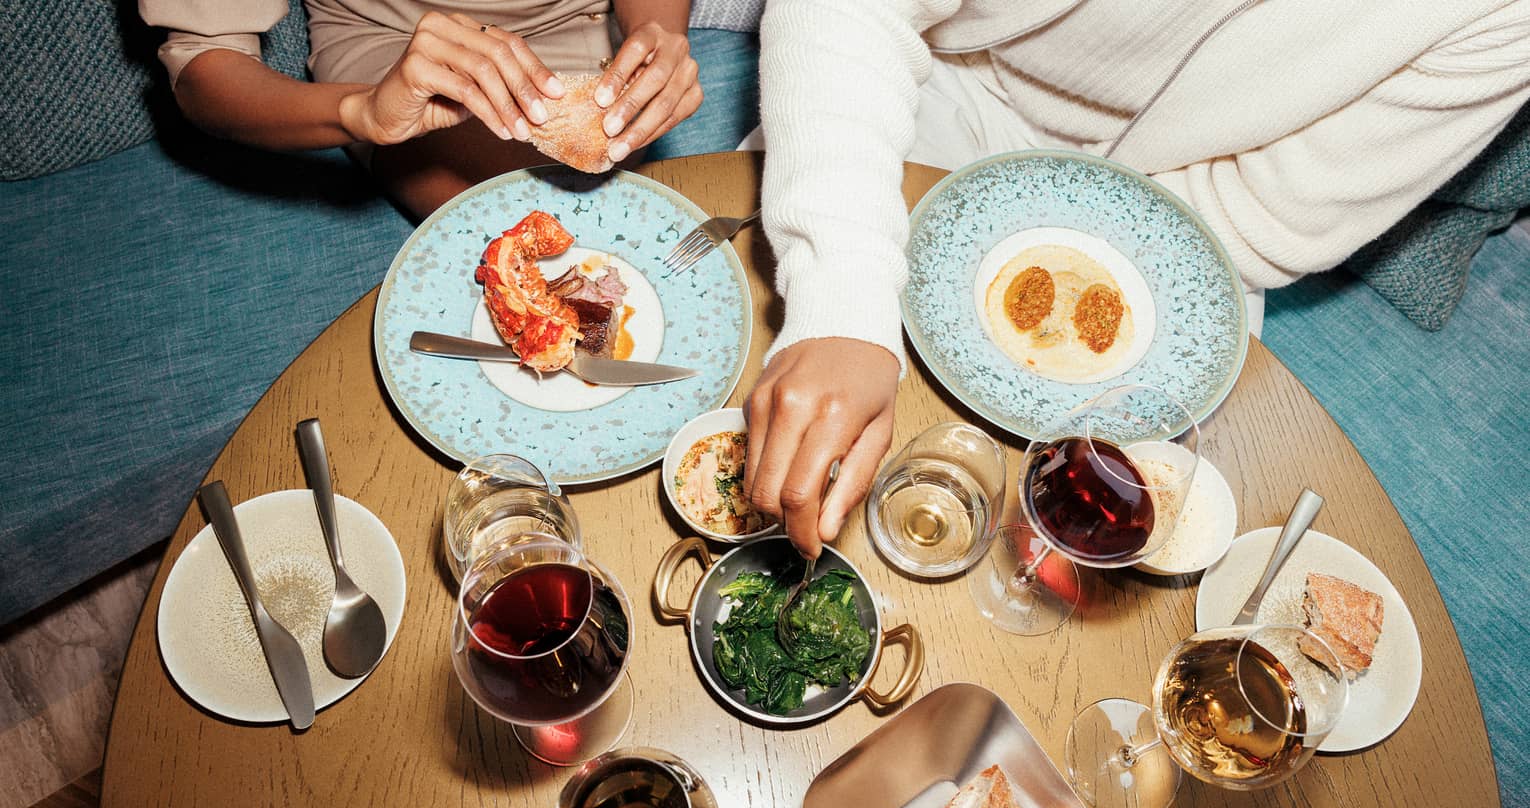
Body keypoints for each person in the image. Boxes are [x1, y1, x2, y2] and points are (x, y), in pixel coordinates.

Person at [743, 0, 1530, 557]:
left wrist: (1054, 272)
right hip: (944, 82)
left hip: (1183, 219)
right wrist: (841, 297)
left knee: (1111, 537)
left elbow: (1267, 215)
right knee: (782, 413)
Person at [139, 0, 701, 217]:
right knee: (536, 234)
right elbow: (205, 72)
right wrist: (360, 113)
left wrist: (656, 34)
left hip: (595, 26)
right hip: (398, 49)